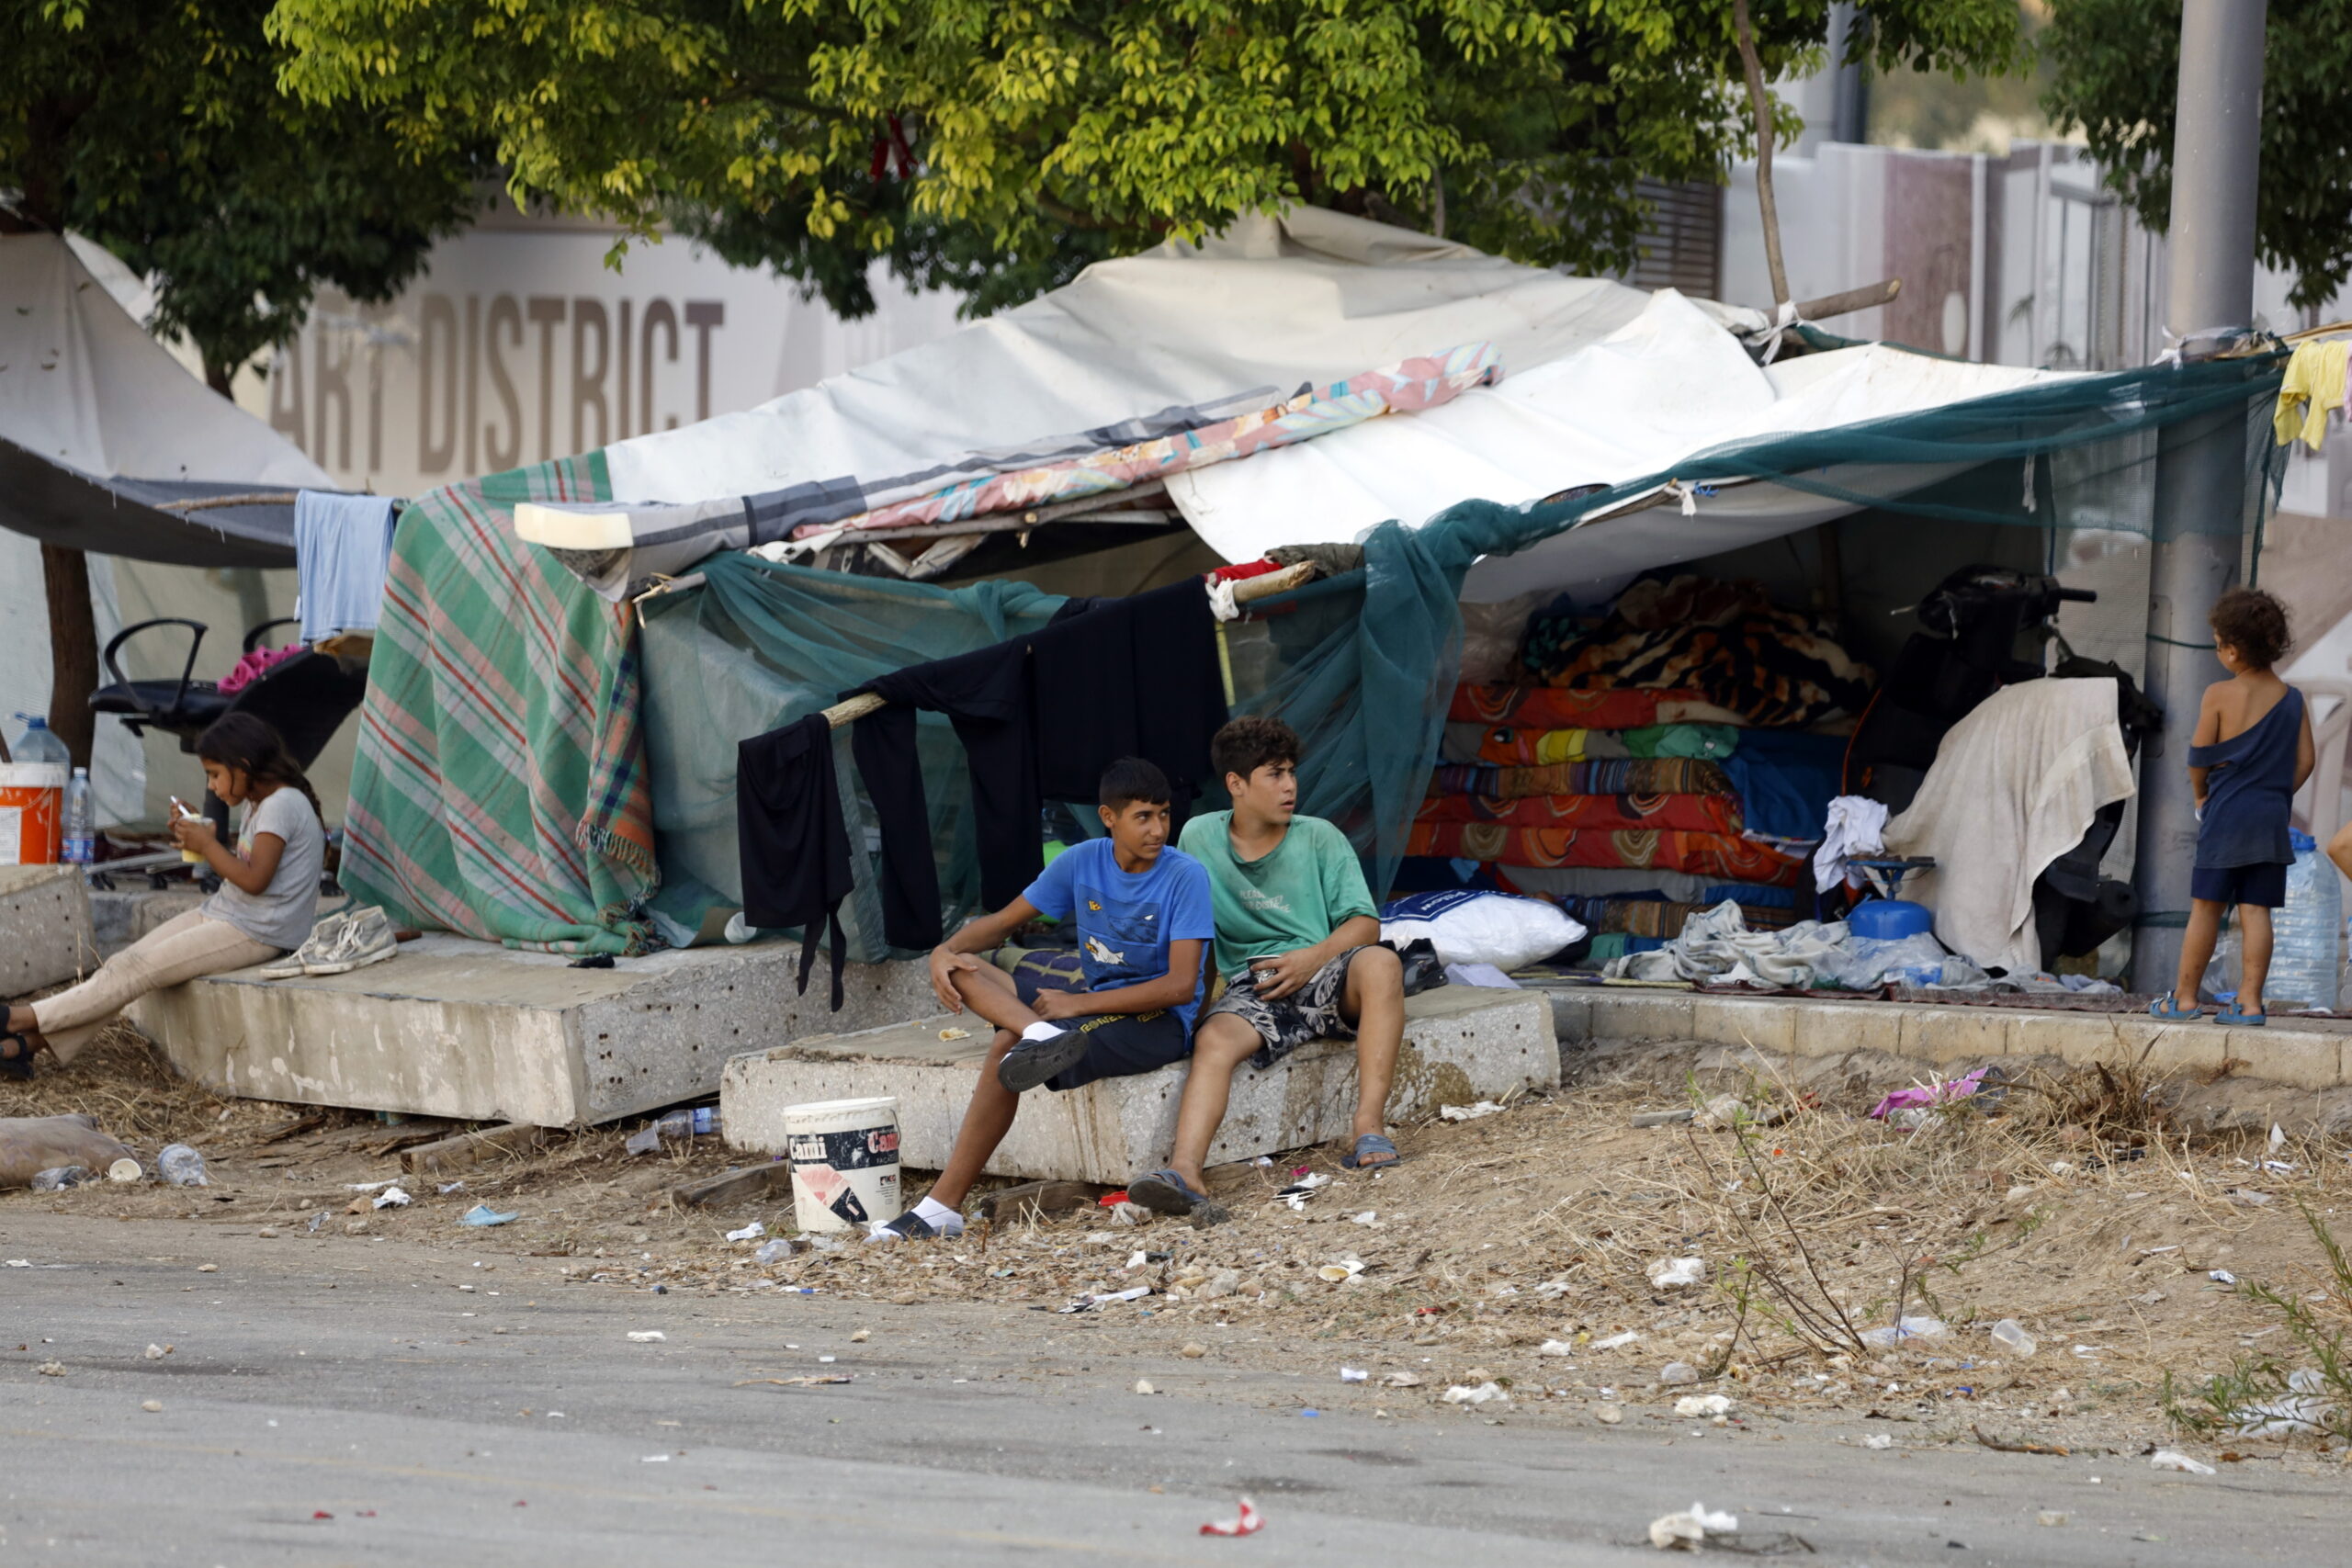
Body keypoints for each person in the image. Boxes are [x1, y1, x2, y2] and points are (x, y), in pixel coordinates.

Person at [868, 757, 1214, 1241]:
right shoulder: (1082, 860)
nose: (1157, 829)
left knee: (1007, 1045)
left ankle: (941, 1207)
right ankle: (1039, 1031)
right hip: (1093, 1004)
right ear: (1109, 817)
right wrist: (941, 952)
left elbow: (1180, 986)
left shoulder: (1184, 876)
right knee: (965, 968)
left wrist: (1076, 1006)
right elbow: (1004, 923)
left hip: (1154, 1022)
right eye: (1143, 816)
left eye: (1163, 814)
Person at [1128, 716, 1406, 1226]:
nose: (1290, 786)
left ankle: (1368, 1126)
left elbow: (1365, 924)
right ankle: (1185, 1172)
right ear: (1236, 784)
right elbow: (1190, 925)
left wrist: (1310, 958)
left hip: (1325, 970)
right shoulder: (1198, 837)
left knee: (1383, 963)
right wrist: (1191, 1005)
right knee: (1213, 1040)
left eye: (1291, 773)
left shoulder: (1319, 837)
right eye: (1274, 774)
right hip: (1253, 984)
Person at [2, 714, 325, 1077]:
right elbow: (251, 868)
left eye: (215, 774)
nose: (213, 786)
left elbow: (254, 880)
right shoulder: (261, 800)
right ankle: (21, 1047)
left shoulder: (284, 804)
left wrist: (207, 845)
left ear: (244, 766)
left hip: (258, 931)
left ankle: (17, 1019)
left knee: (136, 972)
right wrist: (204, 832)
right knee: (123, 966)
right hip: (229, 914)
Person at [2151, 588, 2314, 1026]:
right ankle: (2250, 1002)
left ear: (2233, 650)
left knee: (2206, 907)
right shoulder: (2293, 699)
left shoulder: (2219, 694)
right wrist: (2277, 794)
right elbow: (2306, 761)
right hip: (2269, 819)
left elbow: (2198, 756)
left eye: (2219, 642)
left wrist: (2201, 796)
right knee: (2256, 911)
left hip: (2225, 815)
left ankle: (2184, 998)